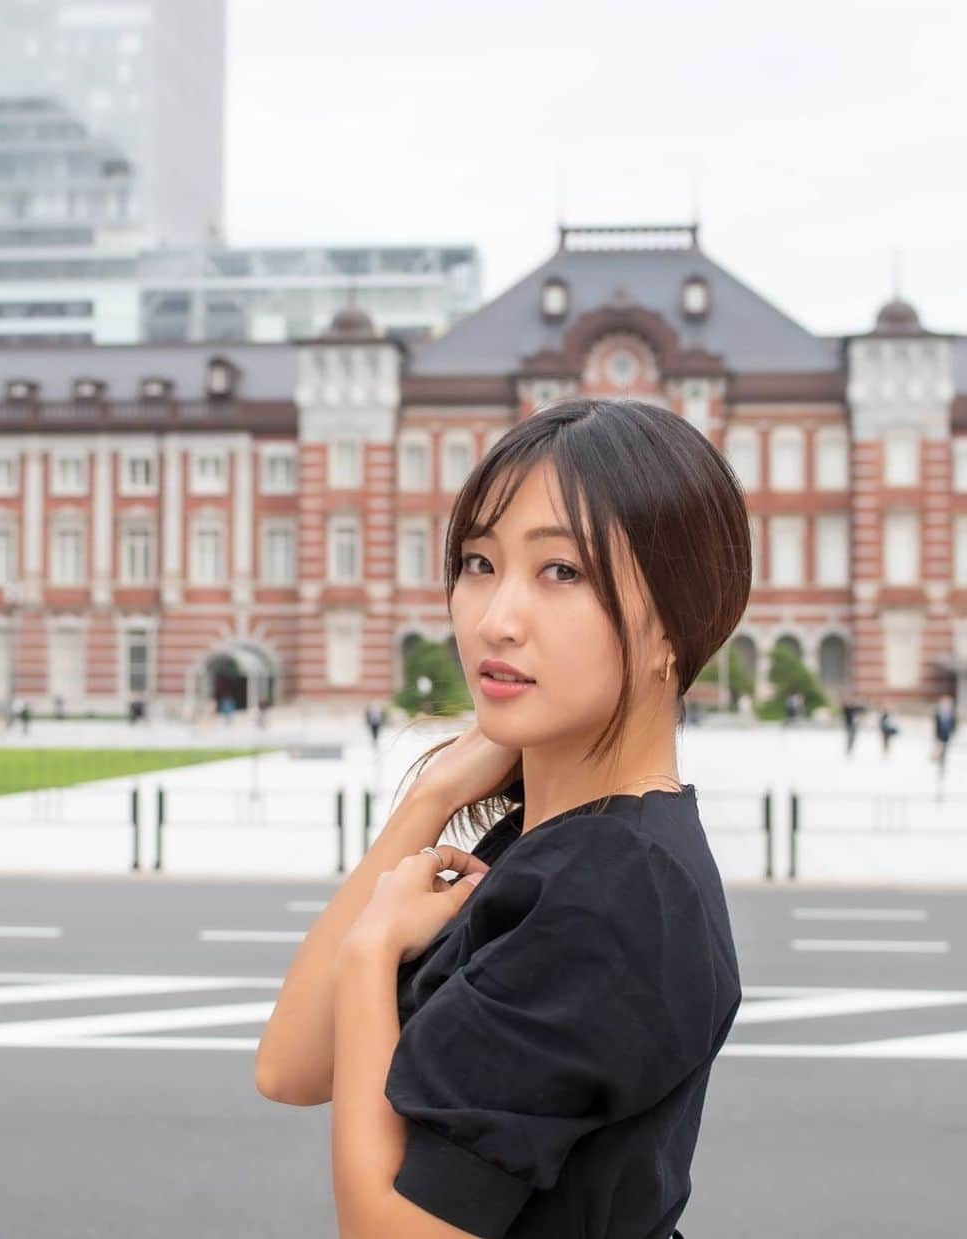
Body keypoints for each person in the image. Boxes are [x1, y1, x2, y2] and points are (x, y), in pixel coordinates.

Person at [256, 397, 746, 1238]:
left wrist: (377, 948)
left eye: (562, 572)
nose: (495, 618)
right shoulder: (558, 838)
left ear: (676, 623)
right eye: (479, 563)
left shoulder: (609, 893)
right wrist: (433, 796)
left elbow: (387, 1231)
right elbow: (291, 1064)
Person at [934, 694, 956, 776]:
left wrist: (952, 732)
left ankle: (943, 764)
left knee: (945, 751)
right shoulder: (938, 714)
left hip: (947, 736)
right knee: (940, 749)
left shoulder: (951, 714)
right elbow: (936, 726)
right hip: (939, 736)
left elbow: (953, 725)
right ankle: (939, 763)